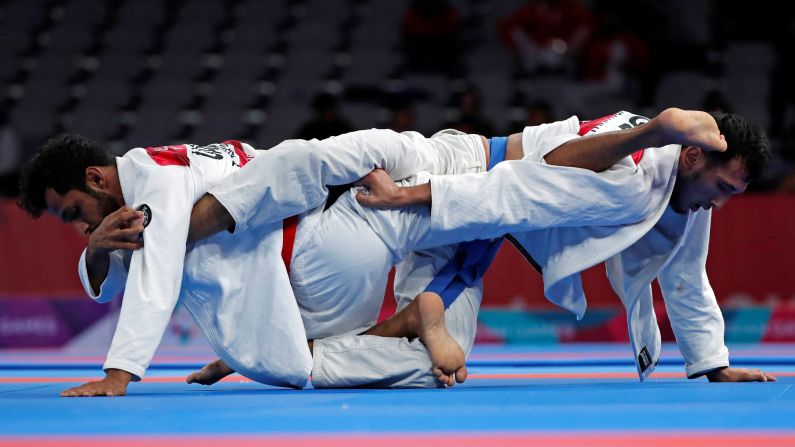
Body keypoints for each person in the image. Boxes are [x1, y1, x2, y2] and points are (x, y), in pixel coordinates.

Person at [184, 108, 774, 386]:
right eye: (720, 189)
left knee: (434, 366)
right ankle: (186, 223)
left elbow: (688, 279)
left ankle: (284, 350)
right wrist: (411, 196)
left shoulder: (686, 191)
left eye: (731, 196)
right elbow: (519, 187)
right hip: (458, 169)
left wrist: (712, 365)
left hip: (471, 233)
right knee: (320, 157)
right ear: (693, 154)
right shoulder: (636, 171)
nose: (717, 204)